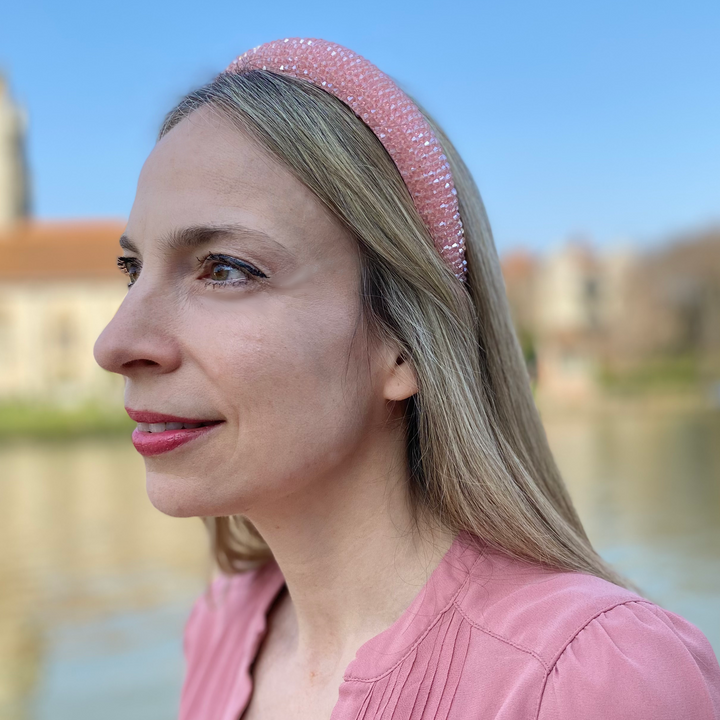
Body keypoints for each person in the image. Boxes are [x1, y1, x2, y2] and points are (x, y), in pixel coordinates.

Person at [93, 38, 720, 720]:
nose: (115, 343)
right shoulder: (222, 626)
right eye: (133, 270)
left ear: (405, 346)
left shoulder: (589, 682)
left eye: (224, 268)